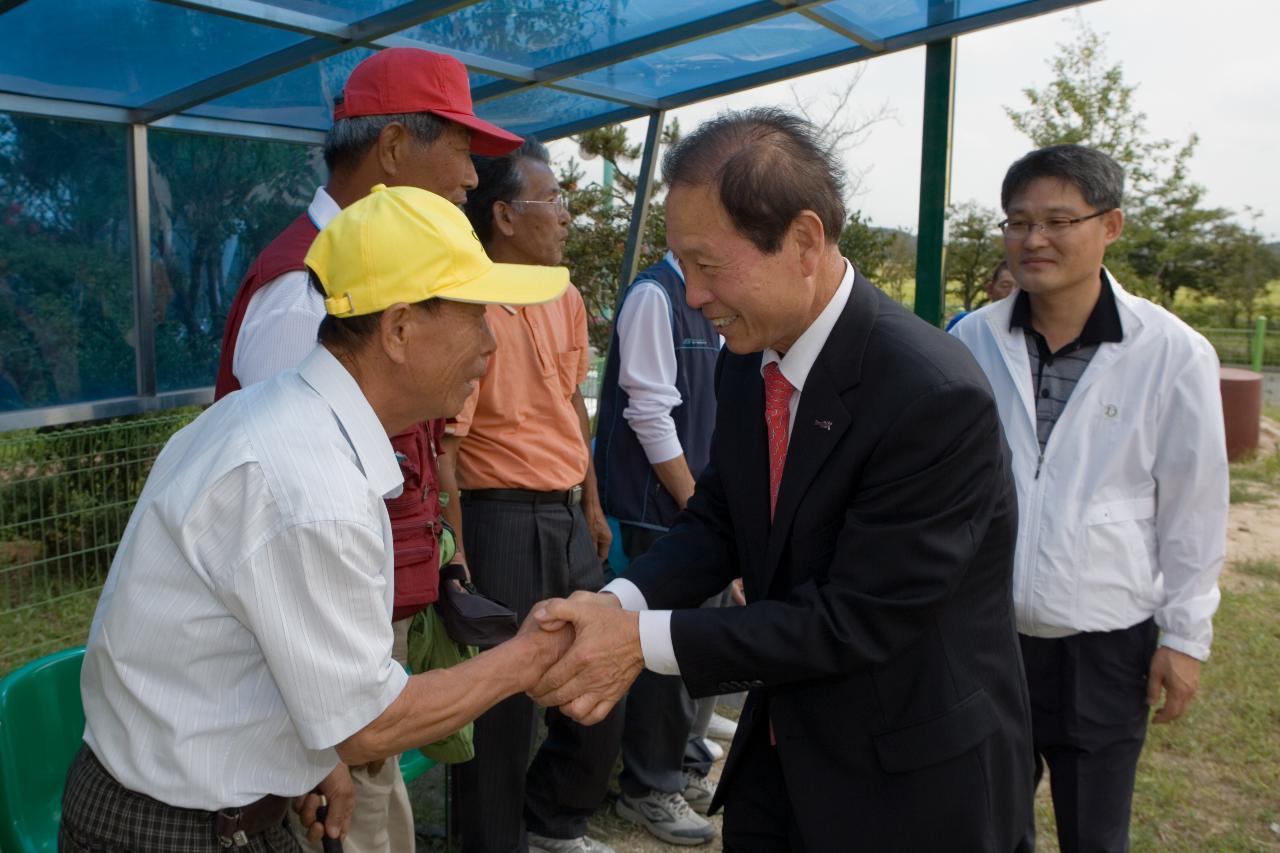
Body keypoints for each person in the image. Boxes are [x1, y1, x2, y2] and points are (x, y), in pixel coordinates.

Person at [528, 108, 1034, 852]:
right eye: (681, 268)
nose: (692, 296)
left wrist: (639, 639)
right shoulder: (750, 354)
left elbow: (854, 619)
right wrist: (614, 602)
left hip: (909, 781)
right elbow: (717, 522)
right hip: (783, 763)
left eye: (707, 265)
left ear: (802, 241)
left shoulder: (928, 394)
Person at [62, 185, 573, 853]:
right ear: (398, 328)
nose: (489, 343)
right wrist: (532, 655)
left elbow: (244, 640)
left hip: (206, 806)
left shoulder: (280, 420)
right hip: (171, 828)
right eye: (474, 314)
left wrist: (304, 757)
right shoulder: (309, 482)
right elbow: (371, 720)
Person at [212, 46, 522, 853]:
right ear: (391, 149)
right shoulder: (302, 292)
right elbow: (293, 509)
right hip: (318, 651)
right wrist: (326, 747)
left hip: (356, 625)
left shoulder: (364, 281)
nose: (469, 177)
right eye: (458, 147)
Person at [950, 143, 1229, 853]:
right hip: (986, 634)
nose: (1033, 239)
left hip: (1105, 640)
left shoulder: (1170, 352)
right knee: (984, 821)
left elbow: (1195, 505)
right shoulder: (972, 339)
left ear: (1111, 226)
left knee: (1095, 831)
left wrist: (1185, 637)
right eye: (1017, 221)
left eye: (1058, 220)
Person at [443, 139, 623, 853]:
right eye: (553, 201)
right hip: (499, 517)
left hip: (566, 512)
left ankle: (552, 820)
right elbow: (448, 453)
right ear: (505, 216)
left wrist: (592, 502)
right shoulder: (468, 302)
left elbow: (573, 407)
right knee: (500, 707)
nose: (566, 216)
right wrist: (459, 562)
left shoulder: (566, 295)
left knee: (602, 672)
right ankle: (494, 842)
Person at [593, 250, 721, 845]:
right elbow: (649, 414)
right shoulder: (655, 296)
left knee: (693, 651)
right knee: (659, 656)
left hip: (697, 508)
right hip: (657, 510)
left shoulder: (707, 291)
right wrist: (697, 504)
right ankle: (648, 788)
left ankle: (682, 760)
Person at [945, 259, 1017, 331]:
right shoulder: (963, 323)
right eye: (1005, 286)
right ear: (990, 289)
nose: (1012, 293)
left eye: (1020, 289)